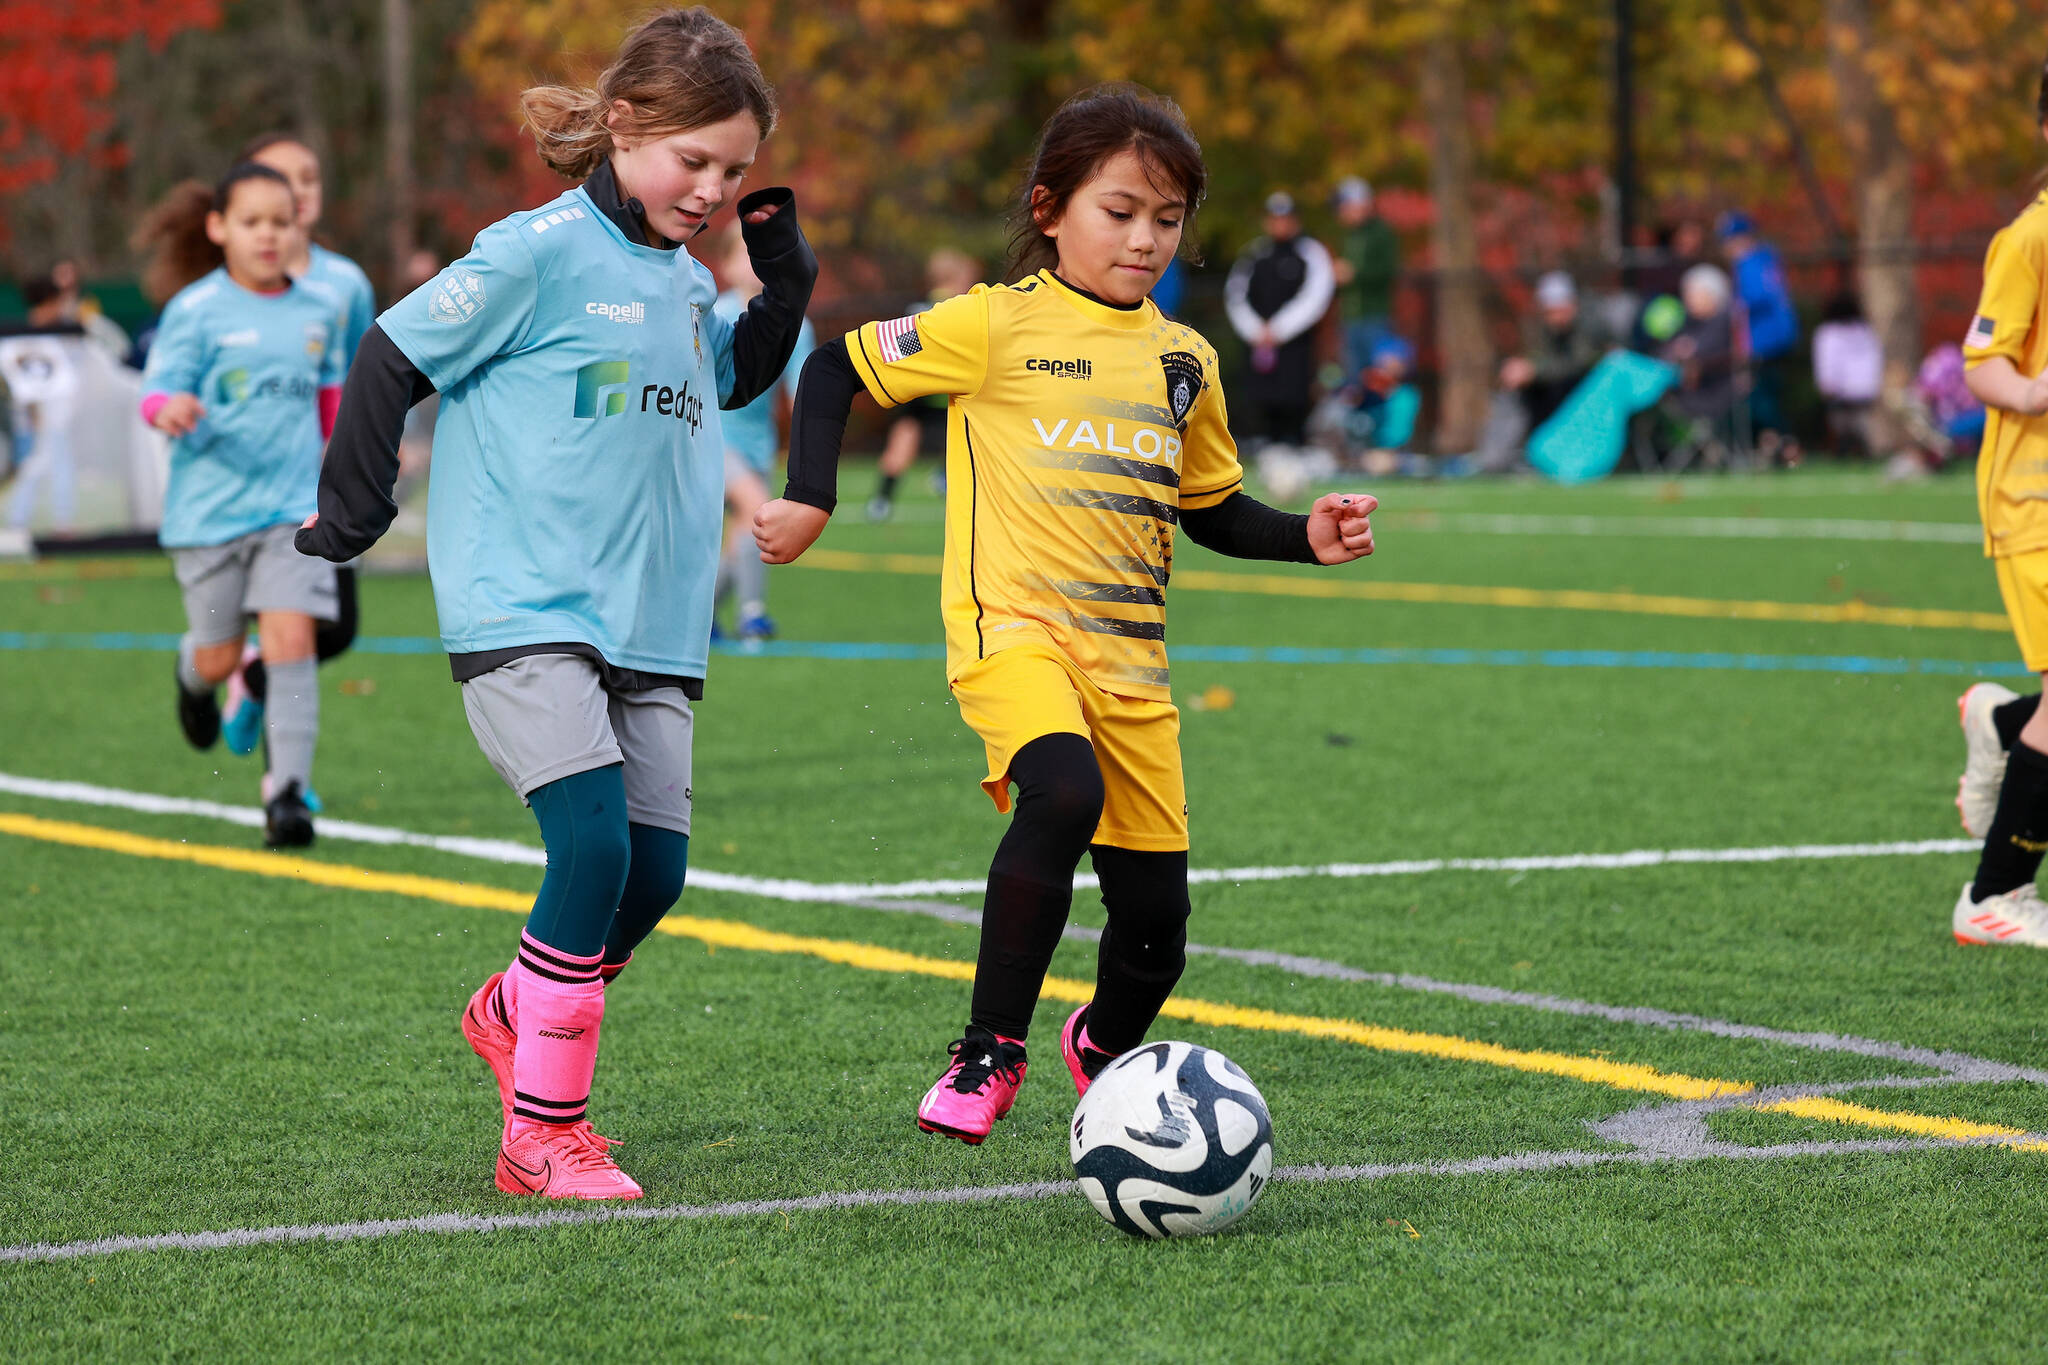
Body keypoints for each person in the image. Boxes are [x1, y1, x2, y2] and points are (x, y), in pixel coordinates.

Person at [753, 84, 1378, 1145]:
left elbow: (1210, 508)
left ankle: (1097, 1043)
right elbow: (831, 370)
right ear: (1049, 210)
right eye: (1119, 211)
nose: (1144, 239)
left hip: (1130, 669)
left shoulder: (1186, 360)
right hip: (1014, 633)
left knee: (1155, 937)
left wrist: (1300, 535)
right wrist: (811, 499)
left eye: (1166, 220)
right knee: (1060, 789)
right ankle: (988, 1048)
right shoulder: (993, 325)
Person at [295, 6, 815, 1198]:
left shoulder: (686, 285)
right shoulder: (531, 253)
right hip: (524, 604)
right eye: (693, 161)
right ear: (625, 126)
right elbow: (389, 355)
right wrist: (356, 509)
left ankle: (512, 1008)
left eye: (733, 171)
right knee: (587, 843)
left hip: (653, 621)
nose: (710, 189)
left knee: (654, 877)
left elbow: (730, 372)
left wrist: (784, 288)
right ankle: (542, 1132)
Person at [135, 163, 344, 847]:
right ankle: (193, 676)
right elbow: (155, 390)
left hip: (290, 511)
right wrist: (171, 409)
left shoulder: (320, 309)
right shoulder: (195, 310)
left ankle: (288, 794)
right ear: (219, 227)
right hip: (209, 516)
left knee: (292, 640)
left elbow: (330, 400)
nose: (268, 235)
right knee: (222, 658)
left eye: (281, 223)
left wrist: (351, 460)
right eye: (252, 222)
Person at [216, 132, 382, 770]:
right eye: (284, 180)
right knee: (289, 624)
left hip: (330, 475)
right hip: (256, 489)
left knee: (335, 630)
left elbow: (374, 366)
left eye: (309, 178)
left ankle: (250, 672)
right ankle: (284, 790)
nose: (300, 191)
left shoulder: (345, 284)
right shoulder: (228, 287)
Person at [1950, 53, 2048, 948]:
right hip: (2037, 501)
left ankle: (2005, 722)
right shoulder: (2030, 238)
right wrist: (2037, 389)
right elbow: (1984, 363)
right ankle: (1994, 897)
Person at [712, 228, 814, 641]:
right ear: (727, 265)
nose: (757, 265)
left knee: (747, 534)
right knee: (756, 511)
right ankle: (752, 615)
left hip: (759, 447)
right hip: (711, 439)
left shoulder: (794, 324)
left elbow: (803, 391)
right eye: (746, 254)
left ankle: (700, 617)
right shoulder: (713, 315)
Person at [867, 248, 977, 520]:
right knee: (968, 439)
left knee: (903, 443)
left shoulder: (917, 308)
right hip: (947, 391)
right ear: (955, 277)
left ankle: (881, 502)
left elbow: (902, 349)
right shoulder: (959, 308)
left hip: (918, 391)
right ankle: (946, 479)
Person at [1224, 191, 1335, 450]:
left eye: (1286, 218)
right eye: (1275, 218)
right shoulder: (1254, 254)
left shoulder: (1310, 252)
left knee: (1295, 396)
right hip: (1259, 343)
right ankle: (1269, 446)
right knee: (1263, 398)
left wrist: (1279, 329)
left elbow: (1315, 296)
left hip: (1294, 343)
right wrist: (1255, 330)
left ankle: (1295, 446)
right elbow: (1236, 294)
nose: (1280, 224)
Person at [1472, 271, 1613, 471]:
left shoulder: (1590, 324)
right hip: (1555, 389)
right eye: (1549, 311)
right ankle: (1495, 458)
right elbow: (1538, 356)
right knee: (1513, 390)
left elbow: (1579, 364)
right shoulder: (1543, 328)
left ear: (1571, 303)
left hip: (1587, 392)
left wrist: (1534, 370)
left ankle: (1523, 457)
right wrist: (1521, 368)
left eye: (1557, 309)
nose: (1553, 316)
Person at [1718, 210, 1801, 463]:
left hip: (1766, 339)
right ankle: (1776, 444)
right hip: (1776, 337)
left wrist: (1732, 305)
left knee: (1761, 398)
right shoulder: (1766, 258)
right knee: (1767, 395)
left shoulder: (1750, 262)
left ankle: (1785, 445)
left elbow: (1755, 299)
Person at [1, 277, 82, 532]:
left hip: (60, 417)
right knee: (32, 467)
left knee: (57, 464)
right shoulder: (17, 339)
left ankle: (61, 522)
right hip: (29, 418)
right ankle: (19, 522)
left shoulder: (65, 335)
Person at [1331, 177, 1398, 375]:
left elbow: (1387, 271)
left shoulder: (1381, 233)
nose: (1341, 212)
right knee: (1354, 379)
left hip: (1374, 316)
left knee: (1379, 377)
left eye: (1344, 206)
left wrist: (1355, 274)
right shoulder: (1347, 235)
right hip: (1349, 318)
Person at [1812, 292, 1883, 456]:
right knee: (1861, 423)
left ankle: (1847, 452)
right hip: (1865, 388)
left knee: (1842, 424)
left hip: (1840, 389)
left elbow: (1826, 360)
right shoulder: (1865, 331)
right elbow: (1875, 358)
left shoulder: (1828, 333)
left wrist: (1827, 384)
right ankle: (1862, 451)